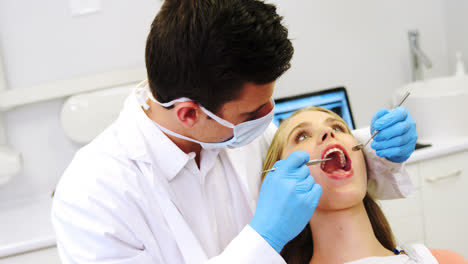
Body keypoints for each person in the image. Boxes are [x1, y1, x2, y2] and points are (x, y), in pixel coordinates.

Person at [51, 0, 418, 263]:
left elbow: (317, 173)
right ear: (190, 113)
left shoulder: (239, 132)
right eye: (254, 111)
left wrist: (377, 150)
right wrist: (263, 238)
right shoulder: (92, 196)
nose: (269, 117)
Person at [260, 106, 467, 264]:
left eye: (338, 127)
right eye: (302, 136)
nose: (328, 133)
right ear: (281, 182)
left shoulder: (445, 261)